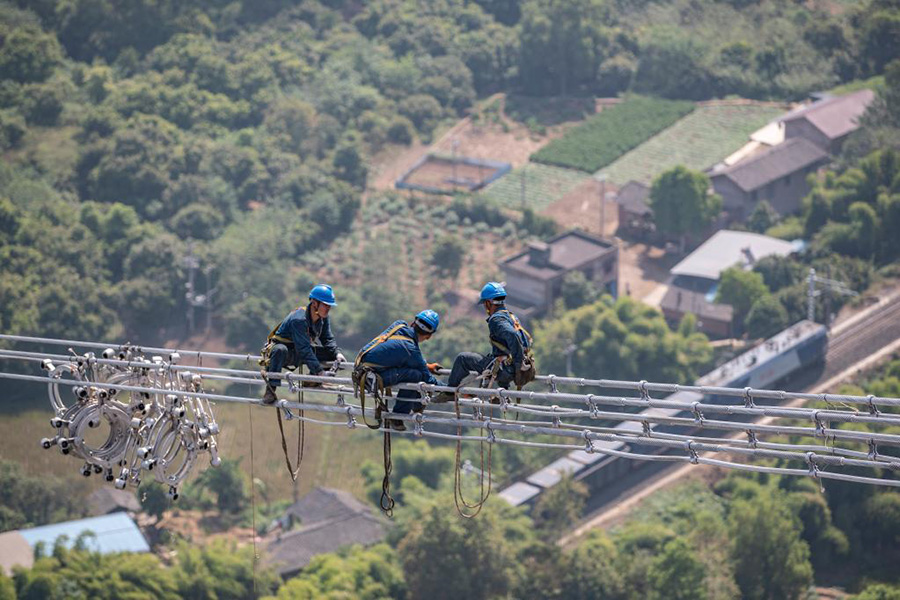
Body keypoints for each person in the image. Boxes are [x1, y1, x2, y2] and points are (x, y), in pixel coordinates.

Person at [435, 282, 534, 402]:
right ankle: (503, 394)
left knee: (463, 358)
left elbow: (512, 336)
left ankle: (449, 392)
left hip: (507, 370)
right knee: (496, 358)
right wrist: (518, 364)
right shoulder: (512, 317)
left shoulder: (496, 319)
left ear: (488, 303)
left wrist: (518, 364)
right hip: (512, 369)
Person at [355, 310, 443, 431]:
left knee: (415, 370)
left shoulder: (399, 325)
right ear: (429, 336)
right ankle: (402, 414)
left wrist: (425, 365)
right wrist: (452, 390)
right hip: (371, 378)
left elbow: (393, 352)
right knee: (416, 375)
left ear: (413, 323)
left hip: (359, 369)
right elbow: (429, 379)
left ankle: (417, 404)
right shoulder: (411, 350)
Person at [262, 284, 345, 405]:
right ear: (314, 303)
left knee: (330, 353)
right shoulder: (299, 320)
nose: (328, 308)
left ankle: (311, 381)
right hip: (286, 353)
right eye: (325, 305)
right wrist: (320, 372)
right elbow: (304, 349)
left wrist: (337, 354)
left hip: (300, 351)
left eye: (329, 306)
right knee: (279, 350)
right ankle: (270, 390)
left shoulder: (323, 318)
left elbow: (327, 338)